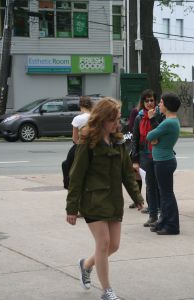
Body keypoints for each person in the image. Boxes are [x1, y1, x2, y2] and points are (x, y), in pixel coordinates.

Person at [65, 97, 144, 300]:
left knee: (114, 245)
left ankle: (86, 264)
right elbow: (76, 176)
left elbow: (127, 172)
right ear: (102, 119)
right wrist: (71, 208)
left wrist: (137, 196)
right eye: (113, 120)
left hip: (113, 200)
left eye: (118, 119)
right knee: (103, 243)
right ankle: (107, 291)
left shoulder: (118, 142)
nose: (117, 124)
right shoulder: (87, 142)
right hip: (93, 200)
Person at [146, 92, 181, 235]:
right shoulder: (169, 121)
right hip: (163, 161)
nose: (158, 105)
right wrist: (155, 139)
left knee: (166, 195)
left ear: (166, 105)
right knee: (164, 194)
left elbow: (150, 136)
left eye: (160, 102)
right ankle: (163, 222)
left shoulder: (169, 122)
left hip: (164, 162)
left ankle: (172, 226)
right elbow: (154, 137)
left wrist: (151, 120)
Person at [131, 89, 163, 227]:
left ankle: (161, 213)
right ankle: (152, 214)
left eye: (152, 100)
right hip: (145, 154)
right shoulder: (139, 117)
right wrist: (135, 160)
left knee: (159, 185)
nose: (149, 103)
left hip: (158, 153)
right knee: (150, 185)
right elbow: (135, 140)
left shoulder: (160, 116)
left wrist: (152, 118)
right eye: (147, 100)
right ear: (143, 102)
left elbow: (160, 134)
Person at [62, 96, 93, 189]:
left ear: (80, 106)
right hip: (94, 146)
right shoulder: (95, 117)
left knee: (66, 164)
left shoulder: (78, 119)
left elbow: (75, 139)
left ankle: (68, 183)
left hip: (81, 146)